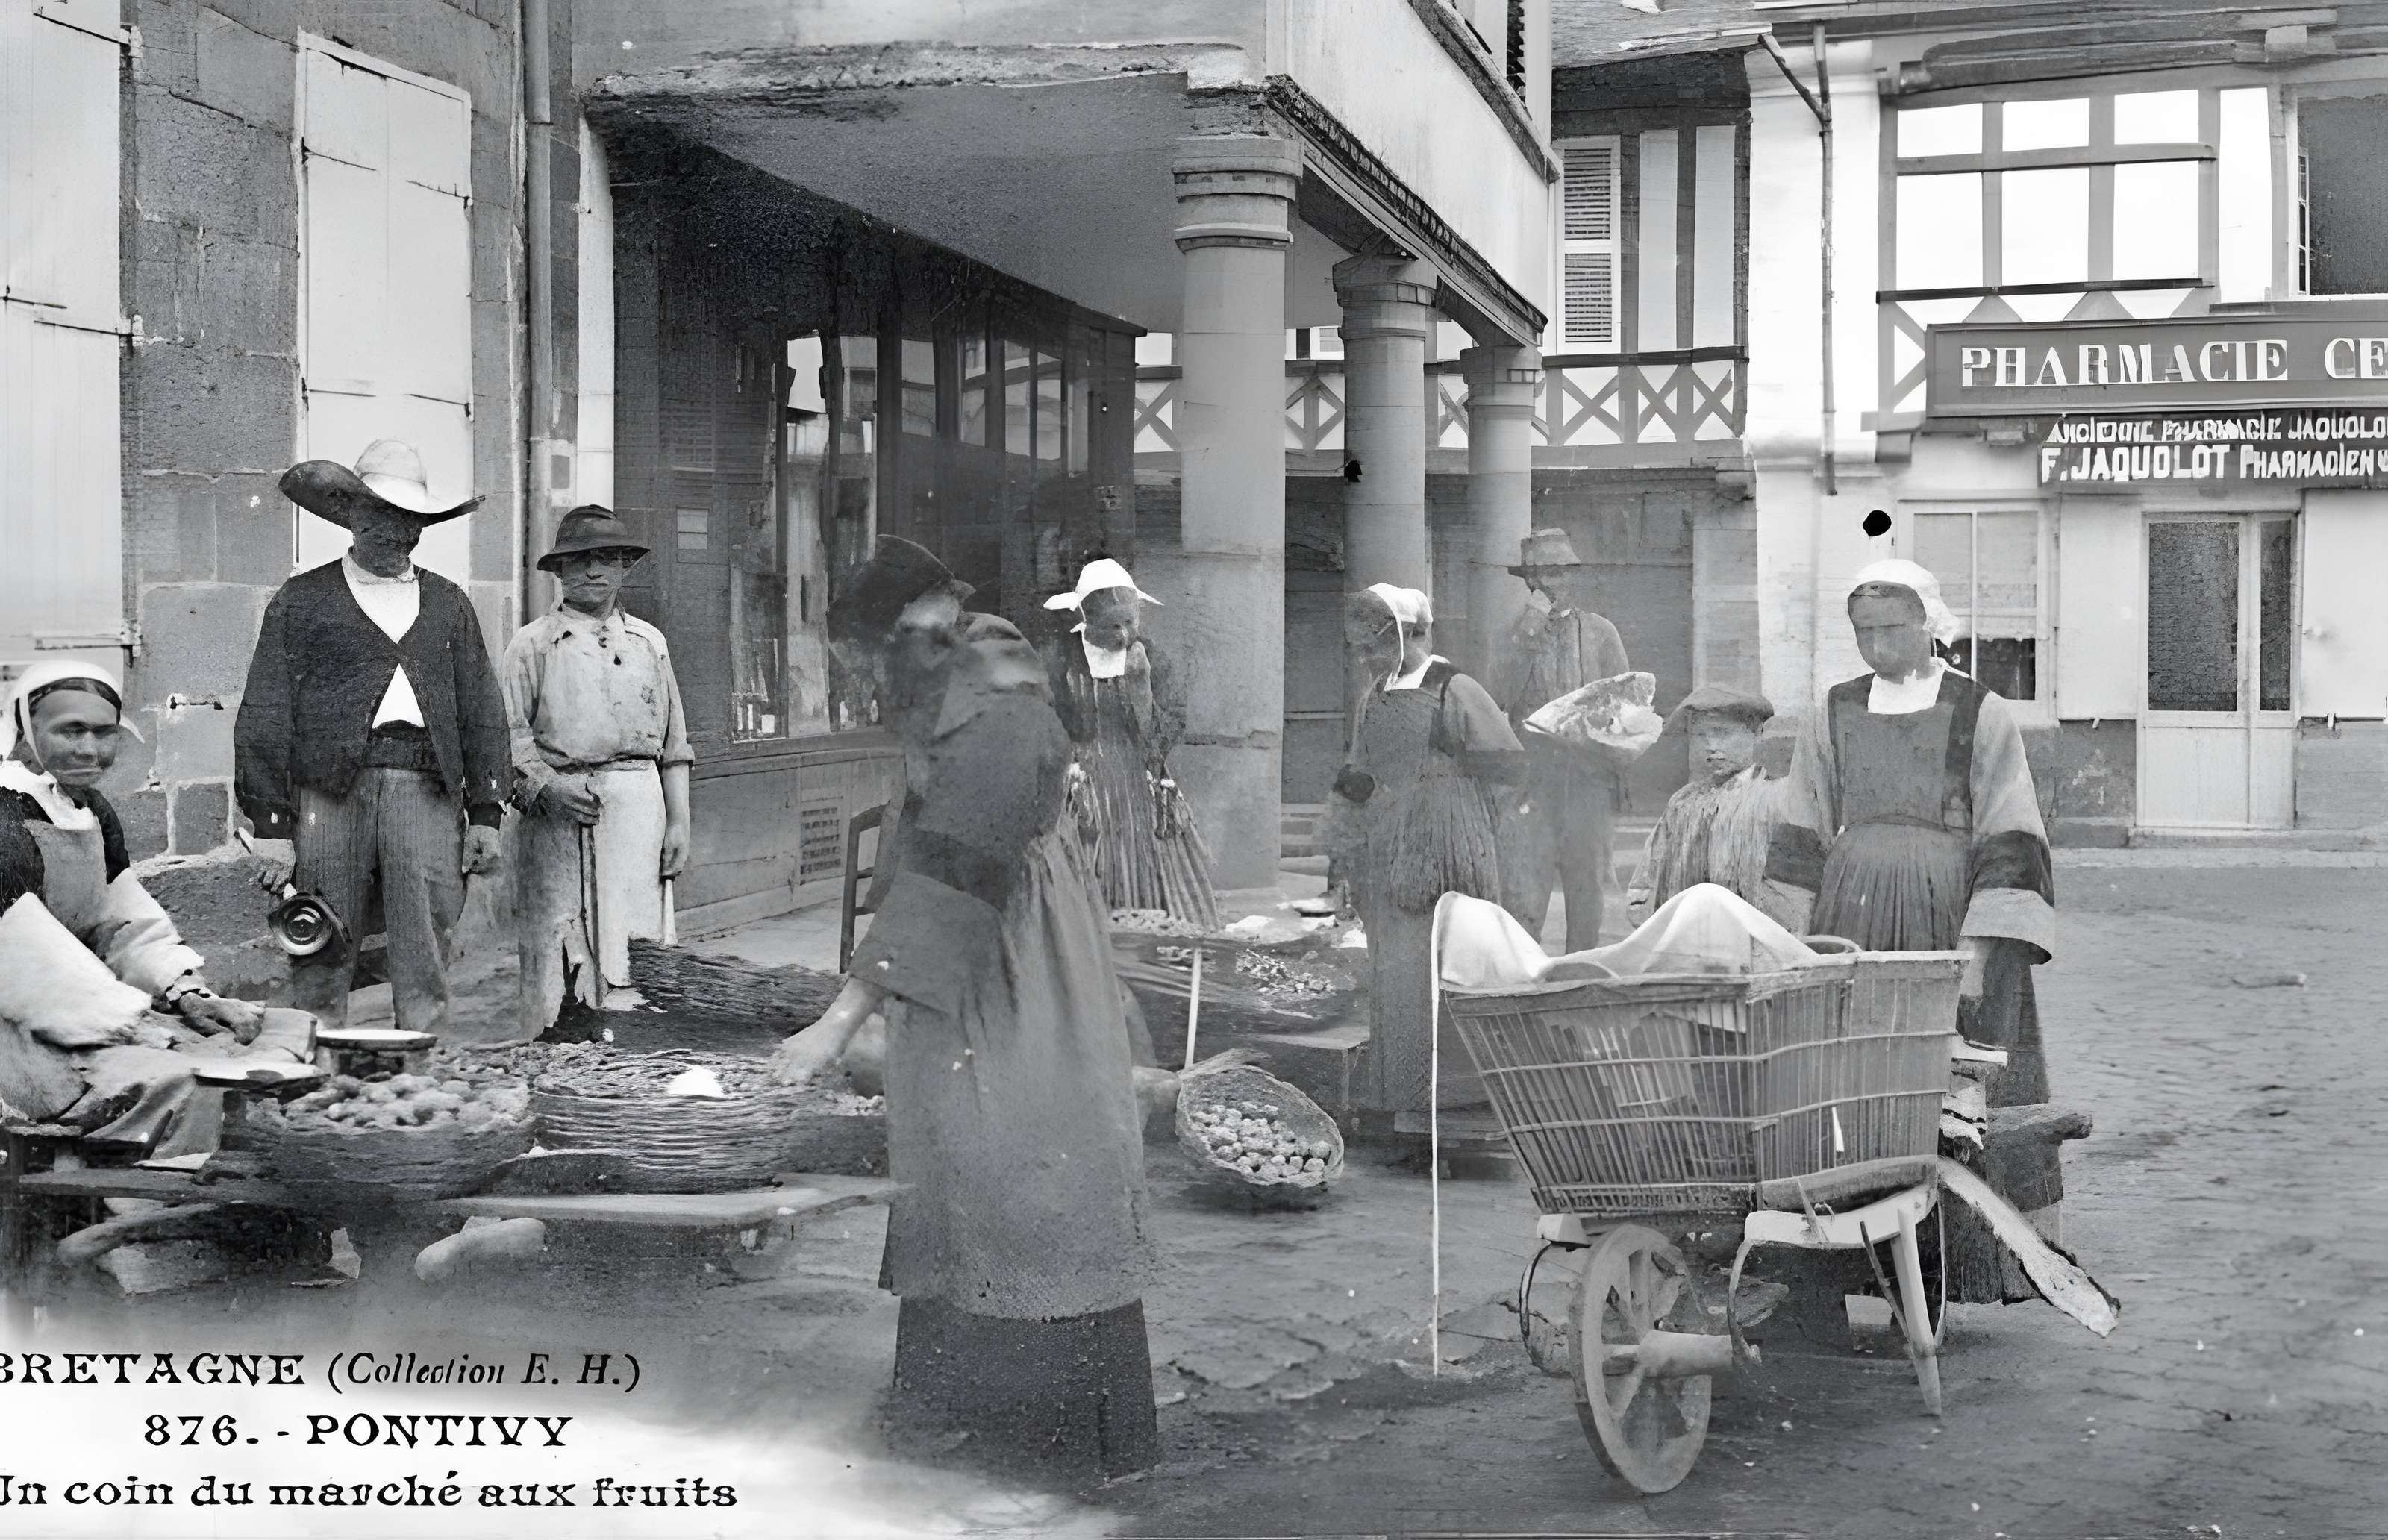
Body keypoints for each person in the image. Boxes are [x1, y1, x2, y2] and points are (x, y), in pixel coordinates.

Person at [765, 536, 1159, 1489]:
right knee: (952, 1152)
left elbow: (956, 867)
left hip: (1015, 950)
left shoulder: (999, 707)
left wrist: (839, 1020)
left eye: (874, 651)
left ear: (919, 628)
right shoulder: (957, 674)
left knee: (1023, 1149)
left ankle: (1048, 1435)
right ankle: (958, 1406)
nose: (871, 672)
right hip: (969, 947)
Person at [1766, 559, 2062, 1296]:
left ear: (1927, 623)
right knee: (1847, 1086)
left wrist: (1982, 940)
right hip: (1850, 909)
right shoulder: (1832, 711)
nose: (1874, 645)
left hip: (1944, 908)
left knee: (1939, 1091)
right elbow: (1801, 822)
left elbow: (2009, 828)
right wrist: (1785, 937)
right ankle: (1837, 1270)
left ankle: (1939, 1275)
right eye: (1862, 632)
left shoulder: (1976, 711)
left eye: (1890, 628)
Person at [235, 439, 509, 1036]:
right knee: (321, 937)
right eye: (381, 514)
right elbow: (265, 711)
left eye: (410, 519)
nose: (396, 531)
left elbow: (482, 710)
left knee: (426, 940)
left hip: (426, 788)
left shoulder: (449, 604)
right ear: (350, 514)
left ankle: (421, 1071)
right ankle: (312, 1068)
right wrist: (274, 828)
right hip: (329, 794)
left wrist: (486, 811)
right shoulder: (302, 600)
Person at [0, 663, 310, 1156]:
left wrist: (184, 992)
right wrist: (135, 1021)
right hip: (26, 1039)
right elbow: (24, 957)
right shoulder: (5, 814)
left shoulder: (89, 809)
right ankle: (150, 1215)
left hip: (93, 1010)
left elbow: (122, 920)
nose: (90, 750)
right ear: (26, 730)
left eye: (105, 734)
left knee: (286, 1031)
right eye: (70, 731)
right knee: (193, 1082)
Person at [1325, 584, 1525, 1130]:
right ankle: (1400, 1099)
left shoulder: (1453, 689)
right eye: (1362, 650)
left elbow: (1506, 767)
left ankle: (1455, 1103)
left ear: (1410, 634)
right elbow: (1358, 773)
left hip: (1449, 847)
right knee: (1396, 972)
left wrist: (1464, 827)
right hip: (1388, 850)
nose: (1368, 659)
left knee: (1445, 966)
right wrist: (1345, 843)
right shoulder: (1375, 694)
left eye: (1377, 646)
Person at [501, 506, 694, 1039]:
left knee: (636, 944)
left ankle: (635, 1056)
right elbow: (510, 738)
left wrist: (678, 822)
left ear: (626, 567)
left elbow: (674, 743)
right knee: (561, 947)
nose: (593, 572)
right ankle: (555, 1052)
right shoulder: (533, 644)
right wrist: (548, 788)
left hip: (638, 807)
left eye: (607, 559)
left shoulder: (649, 643)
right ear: (559, 571)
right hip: (559, 814)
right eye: (579, 561)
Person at [1042, 557, 1219, 932]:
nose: (1124, 635)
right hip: (1079, 778)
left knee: (1151, 860)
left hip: (1140, 776)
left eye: (1130, 623)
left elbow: (1170, 722)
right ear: (1088, 620)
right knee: (1084, 857)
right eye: (1112, 625)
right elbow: (1044, 717)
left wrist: (1142, 687)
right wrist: (1067, 761)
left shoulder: (1153, 656)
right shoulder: (1059, 657)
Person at [1492, 528, 1632, 951]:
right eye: (1542, 575)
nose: (1551, 584)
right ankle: (1526, 972)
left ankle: (1581, 970)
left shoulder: (1600, 632)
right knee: (1526, 881)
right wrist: (1530, 631)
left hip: (1587, 774)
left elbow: (1625, 701)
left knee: (1586, 880)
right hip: (1532, 777)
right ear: (1530, 581)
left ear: (1573, 578)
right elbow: (1499, 694)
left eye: (1560, 573)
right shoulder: (1515, 634)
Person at [1625, 686, 1810, 933]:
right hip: (1690, 937)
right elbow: (1648, 878)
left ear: (1757, 733)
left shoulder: (1780, 798)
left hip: (1760, 937)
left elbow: (1800, 890)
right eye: (1701, 735)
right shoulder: (1684, 802)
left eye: (1722, 733)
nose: (1710, 745)